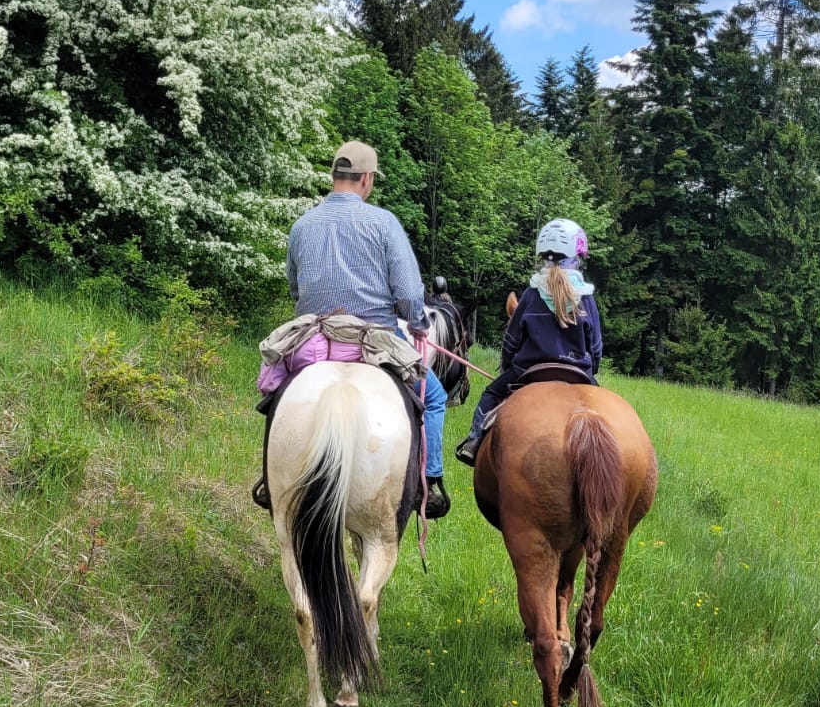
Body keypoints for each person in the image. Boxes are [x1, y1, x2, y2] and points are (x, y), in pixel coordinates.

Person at [256, 141, 450, 518]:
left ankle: (269, 478)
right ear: (366, 179)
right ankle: (429, 480)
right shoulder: (383, 223)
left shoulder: (302, 225)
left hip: (313, 336)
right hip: (371, 338)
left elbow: (295, 289)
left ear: (334, 176)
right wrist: (418, 323)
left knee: (278, 395)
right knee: (436, 396)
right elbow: (410, 292)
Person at [454, 218, 602, 467]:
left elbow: (512, 339)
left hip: (529, 372)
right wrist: (591, 368)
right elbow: (595, 345)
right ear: (577, 257)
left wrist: (507, 364)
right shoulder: (585, 297)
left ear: (543, 255)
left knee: (490, 394)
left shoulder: (532, 294)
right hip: (578, 372)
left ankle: (474, 439)